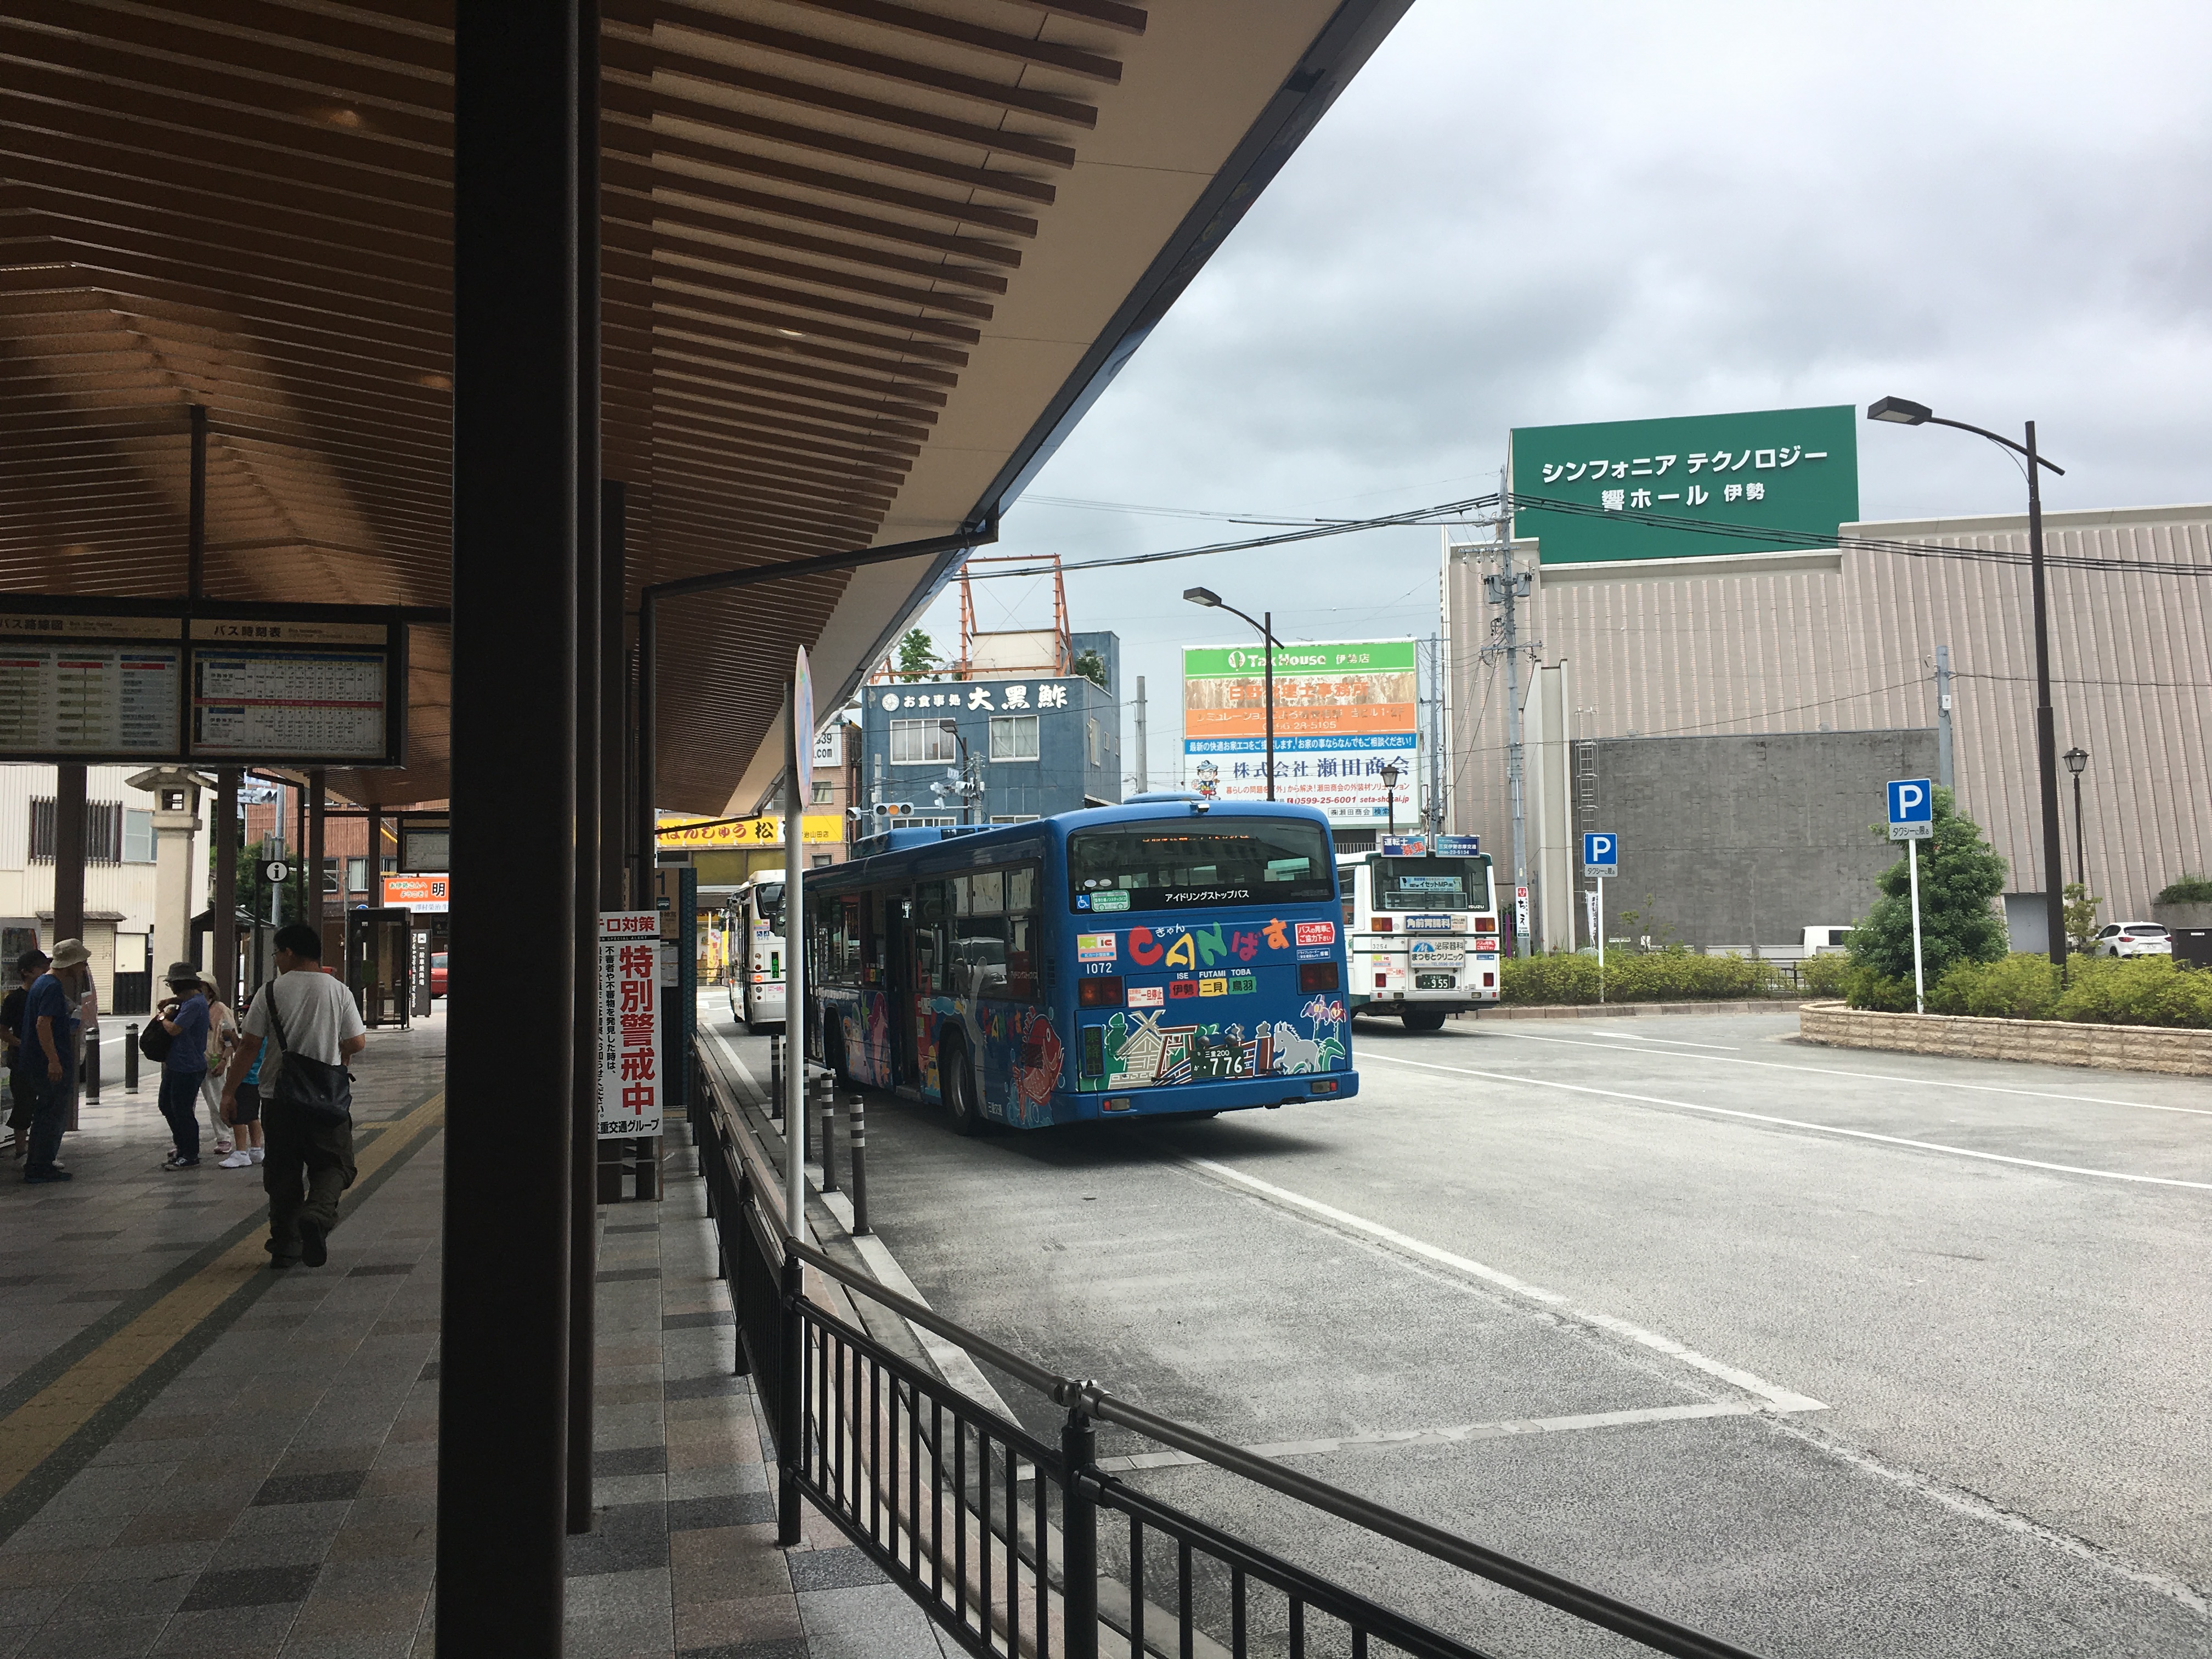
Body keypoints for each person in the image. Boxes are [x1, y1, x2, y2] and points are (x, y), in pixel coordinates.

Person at [221, 924, 365, 1269]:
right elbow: (357, 1042)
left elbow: (250, 1045)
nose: (276, 960)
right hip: (327, 1097)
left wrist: (230, 1092)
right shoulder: (339, 990)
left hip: (279, 1097)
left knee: (283, 1172)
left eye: (276, 953)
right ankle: (316, 1214)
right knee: (335, 1164)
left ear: (288, 952)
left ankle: (286, 1246)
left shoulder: (270, 992)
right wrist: (335, 1052)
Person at [23, 939, 89, 1184]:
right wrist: (54, 1060)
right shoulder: (51, 986)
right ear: (71, 962)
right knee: (51, 1114)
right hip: (48, 1062)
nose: (83, 966)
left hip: (38, 1060)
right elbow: (44, 1023)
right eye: (81, 961)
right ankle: (41, 1166)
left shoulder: (42, 983)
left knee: (45, 1114)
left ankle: (39, 1164)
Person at [153, 961, 210, 1170]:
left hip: (188, 1066)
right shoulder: (189, 1001)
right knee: (166, 1105)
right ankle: (182, 1146)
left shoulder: (195, 1004)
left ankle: (190, 1153)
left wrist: (162, 1019)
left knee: (183, 1110)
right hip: (177, 1063)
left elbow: (175, 1029)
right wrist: (171, 1001)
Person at [3, 950, 42, 1160]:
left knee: (43, 1103)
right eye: (40, 968)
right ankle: (21, 1149)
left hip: (42, 1057)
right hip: (21, 1060)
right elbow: (3, 1030)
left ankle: (39, 1148)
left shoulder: (47, 993)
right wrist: (22, 1044)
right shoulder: (15, 999)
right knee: (24, 1103)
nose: (45, 972)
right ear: (26, 972)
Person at [196, 970, 238, 1160]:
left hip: (213, 1059)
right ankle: (184, 1140)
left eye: (202, 986)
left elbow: (230, 1038)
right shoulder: (190, 1007)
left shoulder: (221, 1010)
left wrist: (224, 1060)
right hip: (192, 1060)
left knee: (215, 1100)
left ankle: (224, 1137)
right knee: (186, 1104)